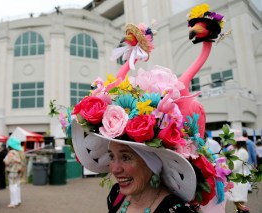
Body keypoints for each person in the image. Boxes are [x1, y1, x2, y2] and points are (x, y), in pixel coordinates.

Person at [65, 6, 231, 212]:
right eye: (112, 156)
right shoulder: (116, 197)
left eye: (125, 156)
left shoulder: (174, 209)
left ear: (154, 160)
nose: (114, 168)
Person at [228, 133, 250, 213]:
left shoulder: (242, 152)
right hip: (237, 179)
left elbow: (235, 167)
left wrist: (227, 165)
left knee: (239, 200)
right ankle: (240, 211)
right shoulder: (238, 150)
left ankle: (244, 211)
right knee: (236, 200)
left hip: (240, 179)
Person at [4, 137, 25, 208]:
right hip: (18, 170)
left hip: (12, 171)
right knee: (17, 186)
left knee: (12, 186)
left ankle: (13, 202)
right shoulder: (19, 152)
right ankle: (18, 200)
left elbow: (6, 161)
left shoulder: (11, 152)